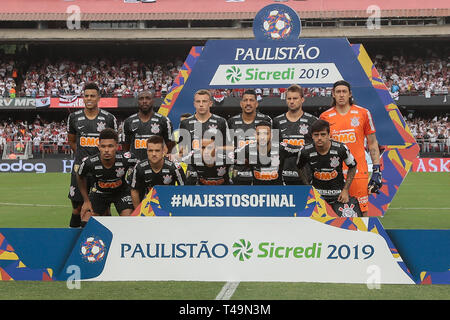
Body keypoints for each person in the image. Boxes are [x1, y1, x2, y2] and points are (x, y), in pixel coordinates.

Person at [320, 80, 382, 215]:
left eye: (344, 91)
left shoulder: (363, 113)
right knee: (334, 214)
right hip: (333, 173)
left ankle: (363, 237)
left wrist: (377, 169)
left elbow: (372, 142)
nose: (341, 95)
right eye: (338, 92)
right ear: (333, 95)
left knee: (362, 212)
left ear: (350, 94)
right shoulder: (325, 116)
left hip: (358, 172)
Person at [67, 82, 118, 228]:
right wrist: (85, 159)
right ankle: (73, 237)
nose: (89, 98)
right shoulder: (74, 117)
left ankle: (110, 237)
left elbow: (113, 143)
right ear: (83, 98)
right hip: (80, 169)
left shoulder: (108, 118)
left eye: (92, 96)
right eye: (86, 95)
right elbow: (71, 141)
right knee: (77, 207)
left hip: (102, 170)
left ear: (98, 98)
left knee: (105, 208)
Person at [296, 119, 361, 217]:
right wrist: (307, 187)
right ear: (312, 136)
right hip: (317, 196)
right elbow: (299, 167)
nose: (319, 138)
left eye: (323, 134)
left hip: (338, 196)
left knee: (350, 224)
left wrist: (345, 189)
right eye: (316, 135)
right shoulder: (305, 151)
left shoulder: (341, 148)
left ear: (329, 135)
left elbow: (353, 166)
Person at [77, 128, 137, 227]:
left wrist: (136, 189)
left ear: (117, 147)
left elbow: (141, 170)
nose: (106, 150)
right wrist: (86, 200)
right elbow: (79, 176)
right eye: (103, 146)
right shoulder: (89, 162)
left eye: (110, 146)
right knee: (86, 222)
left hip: (121, 192)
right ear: (98, 147)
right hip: (99, 193)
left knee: (129, 221)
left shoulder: (127, 159)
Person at [273, 84, 318, 185]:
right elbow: (273, 149)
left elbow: (317, 149)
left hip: (306, 177)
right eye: (289, 98)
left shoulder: (313, 121)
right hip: (283, 176)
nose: (292, 101)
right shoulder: (277, 121)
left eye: (295, 98)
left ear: (302, 99)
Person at [227, 89, 272, 185]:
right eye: (245, 100)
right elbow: (227, 146)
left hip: (261, 172)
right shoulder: (231, 121)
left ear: (256, 103)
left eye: (251, 100)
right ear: (241, 103)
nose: (248, 103)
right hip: (238, 173)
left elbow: (273, 146)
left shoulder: (266, 120)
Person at [129, 135, 186, 209]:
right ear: (147, 151)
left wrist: (178, 208)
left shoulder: (174, 167)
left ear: (163, 151)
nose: (154, 154)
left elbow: (184, 190)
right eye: (150, 150)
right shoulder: (139, 167)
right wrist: (138, 212)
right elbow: (134, 190)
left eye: (157, 150)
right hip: (147, 205)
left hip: (169, 204)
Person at [178, 89, 231, 167]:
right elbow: (181, 150)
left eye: (204, 101)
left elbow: (230, 148)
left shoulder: (221, 121)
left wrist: (212, 148)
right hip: (193, 169)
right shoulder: (185, 123)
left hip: (216, 168)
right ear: (194, 104)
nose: (201, 104)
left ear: (210, 103)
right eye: (198, 101)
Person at [122, 90, 175, 161]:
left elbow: (170, 145)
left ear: (153, 101)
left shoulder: (164, 120)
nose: (144, 101)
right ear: (137, 101)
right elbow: (126, 147)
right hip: (135, 164)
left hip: (156, 164)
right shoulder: (129, 121)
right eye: (141, 99)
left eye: (148, 98)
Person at [233, 120, 286, 185]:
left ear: (271, 135)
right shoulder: (247, 149)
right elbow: (227, 156)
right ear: (255, 135)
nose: (262, 137)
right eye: (259, 134)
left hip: (278, 191)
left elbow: (301, 151)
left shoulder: (281, 148)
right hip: (257, 191)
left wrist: (299, 164)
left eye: (266, 133)